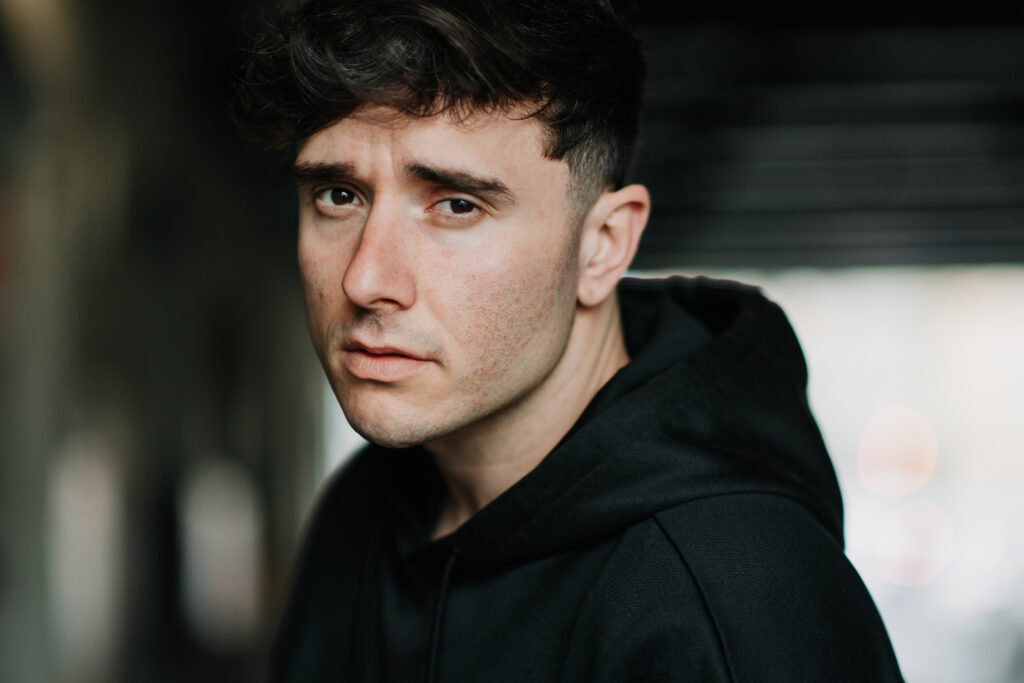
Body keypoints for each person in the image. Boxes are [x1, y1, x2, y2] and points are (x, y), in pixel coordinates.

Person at [233, 0, 904, 680]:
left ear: (603, 245)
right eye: (339, 195)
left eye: (457, 205)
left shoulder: (735, 600)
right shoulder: (362, 508)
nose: (366, 278)